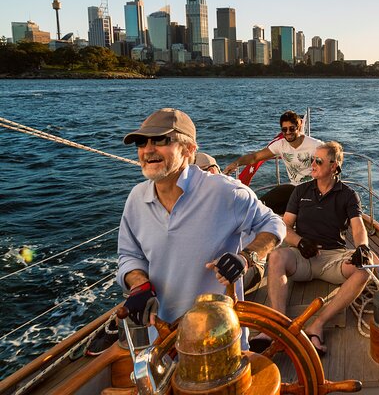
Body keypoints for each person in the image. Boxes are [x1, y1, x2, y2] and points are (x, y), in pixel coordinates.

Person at [116, 108, 285, 349]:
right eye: (142, 142)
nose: (148, 149)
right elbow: (130, 255)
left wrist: (246, 257)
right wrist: (139, 284)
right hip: (164, 340)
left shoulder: (225, 192)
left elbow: (274, 224)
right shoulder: (136, 199)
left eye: (161, 140)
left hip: (221, 337)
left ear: (189, 150)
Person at [256, 141, 374, 356]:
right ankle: (277, 324)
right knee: (275, 257)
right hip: (302, 256)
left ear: (334, 166)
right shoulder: (301, 191)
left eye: (318, 161)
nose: (313, 164)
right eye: (312, 159)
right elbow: (285, 225)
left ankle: (317, 324)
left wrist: (363, 248)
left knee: (365, 268)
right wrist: (300, 242)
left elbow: (358, 228)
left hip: (333, 259)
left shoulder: (348, 195)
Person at [223, 110, 322, 214]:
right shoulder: (280, 145)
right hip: (294, 189)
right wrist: (236, 163)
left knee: (281, 202)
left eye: (292, 128)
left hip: (312, 190)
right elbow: (255, 157)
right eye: (284, 129)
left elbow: (331, 162)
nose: (288, 132)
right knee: (261, 206)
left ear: (299, 126)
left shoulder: (315, 146)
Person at [194, 151, 265, 294]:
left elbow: (272, 225)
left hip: (248, 265)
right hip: (214, 266)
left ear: (212, 171)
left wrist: (246, 257)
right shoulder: (198, 201)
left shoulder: (235, 196)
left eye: (195, 175)